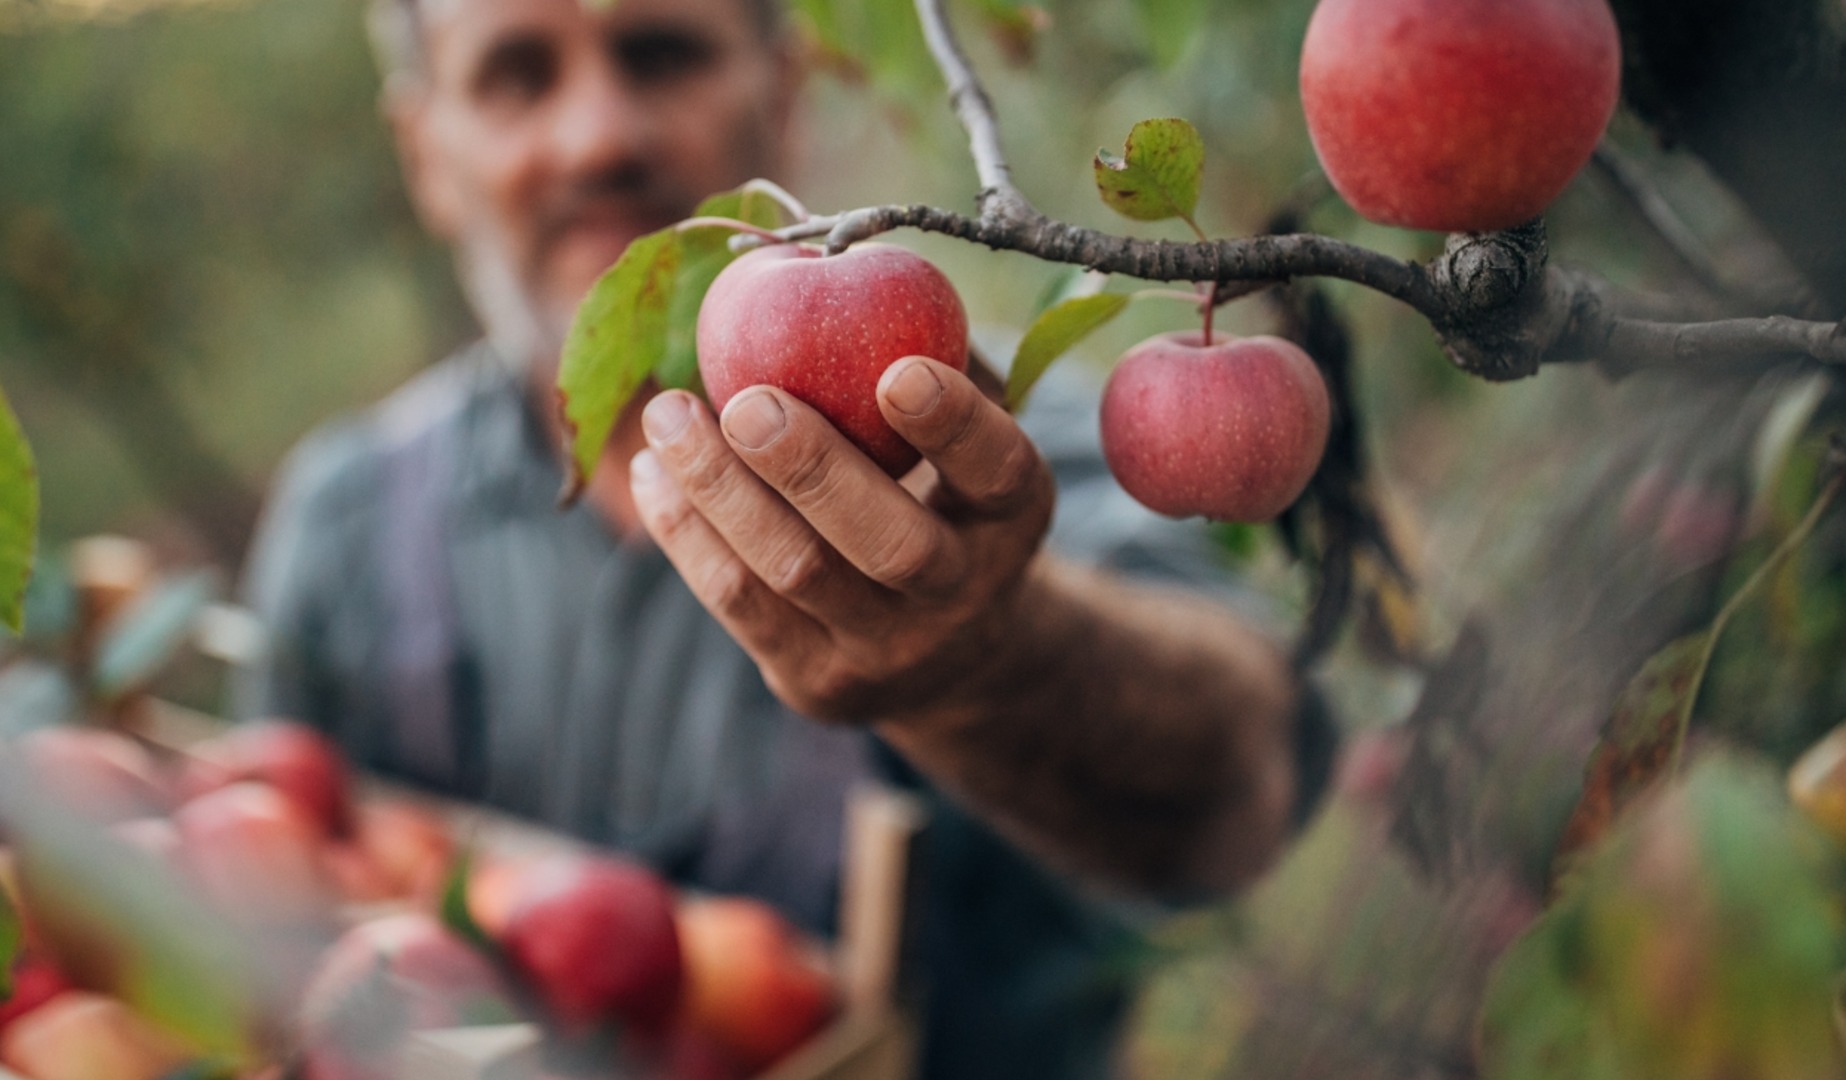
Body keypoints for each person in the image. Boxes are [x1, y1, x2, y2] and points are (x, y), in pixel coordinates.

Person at [237, 0, 1332, 1075]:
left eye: (660, 52)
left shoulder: (997, 430)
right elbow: (267, 910)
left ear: (786, 94)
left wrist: (994, 661)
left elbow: (1251, 786)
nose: (598, 136)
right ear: (425, 151)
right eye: (517, 73)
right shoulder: (345, 530)